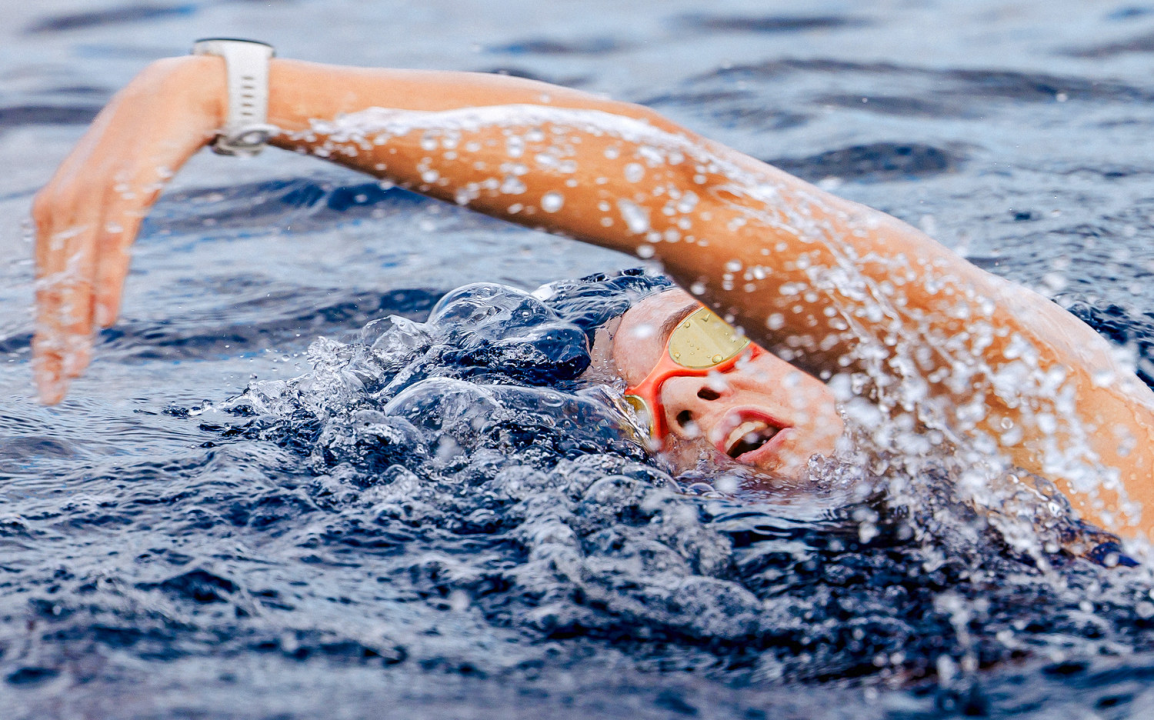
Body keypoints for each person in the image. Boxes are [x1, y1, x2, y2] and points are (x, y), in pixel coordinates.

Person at [29, 46, 1154, 542]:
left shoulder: (1045, 409)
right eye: (653, 412)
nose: (690, 398)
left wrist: (228, 91)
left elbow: (687, 192)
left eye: (712, 332)